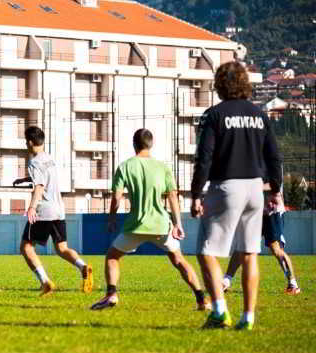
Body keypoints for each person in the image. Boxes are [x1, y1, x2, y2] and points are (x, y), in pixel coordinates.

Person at [191, 61, 283, 330]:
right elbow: (274, 155)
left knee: (206, 252)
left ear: (219, 84)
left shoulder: (214, 115)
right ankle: (248, 318)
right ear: (245, 84)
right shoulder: (259, 114)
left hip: (226, 186)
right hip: (255, 188)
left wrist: (196, 193)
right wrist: (275, 188)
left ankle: (220, 311)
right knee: (249, 254)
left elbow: (204, 157)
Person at [91, 129, 210, 311]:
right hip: (161, 225)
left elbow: (117, 197)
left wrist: (111, 219)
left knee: (112, 257)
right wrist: (177, 224)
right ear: (151, 144)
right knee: (179, 261)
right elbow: (172, 196)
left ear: (134, 144)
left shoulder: (125, 166)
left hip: (136, 225)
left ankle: (111, 294)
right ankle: (202, 300)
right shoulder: (162, 167)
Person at [19, 126, 93, 296]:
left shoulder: (34, 162)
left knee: (26, 247)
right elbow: (43, 178)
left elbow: (39, 185)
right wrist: (25, 179)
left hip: (43, 211)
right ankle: (83, 267)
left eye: (26, 141)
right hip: (59, 209)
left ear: (30, 142)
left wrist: (31, 207)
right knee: (62, 248)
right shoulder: (49, 159)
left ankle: (45, 282)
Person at [222, 183, 300, 294]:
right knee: (243, 245)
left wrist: (253, 185)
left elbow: (275, 183)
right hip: (255, 211)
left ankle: (293, 284)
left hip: (272, 211)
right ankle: (226, 281)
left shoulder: (269, 165)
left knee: (276, 248)